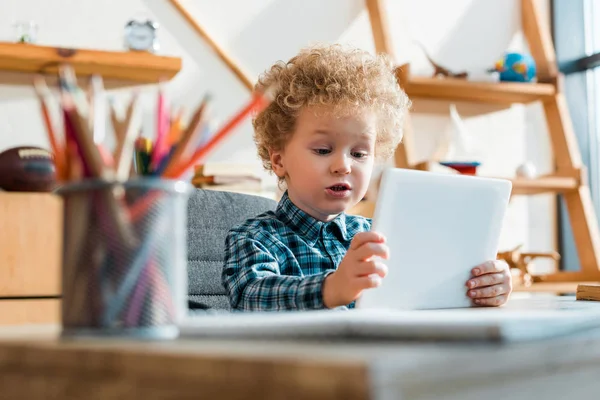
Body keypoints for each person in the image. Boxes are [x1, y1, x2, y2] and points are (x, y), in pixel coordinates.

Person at [221, 44, 512, 311]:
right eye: (323, 149)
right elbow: (251, 294)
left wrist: (483, 287)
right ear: (278, 159)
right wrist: (331, 289)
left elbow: (426, 296)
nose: (343, 166)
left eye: (359, 154)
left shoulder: (383, 236)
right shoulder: (254, 238)